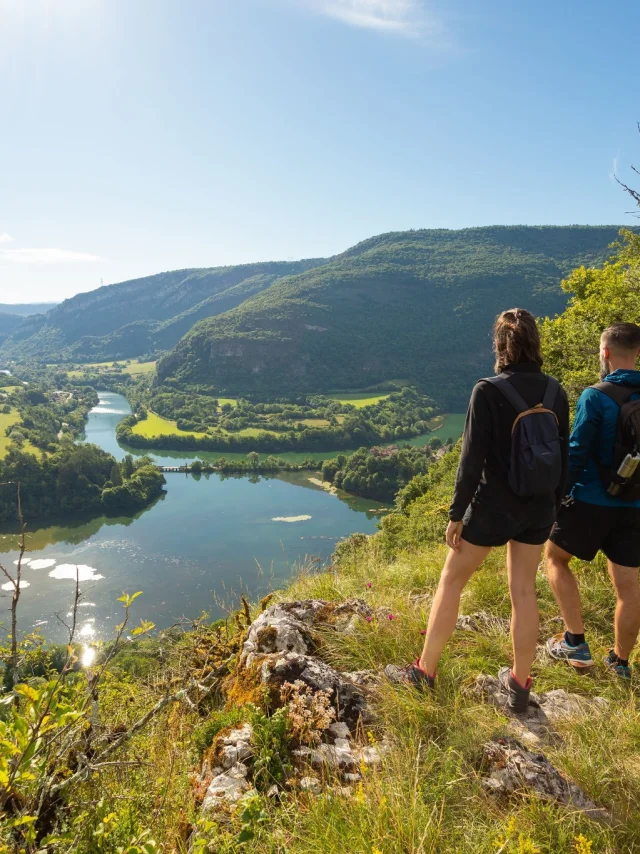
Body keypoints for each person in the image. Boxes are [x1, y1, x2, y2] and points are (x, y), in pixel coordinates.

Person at [385, 308, 569, 711]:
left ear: (500, 345)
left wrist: (456, 514)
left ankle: (424, 673)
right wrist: (552, 508)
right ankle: (520, 686)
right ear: (535, 342)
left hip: (493, 507)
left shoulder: (487, 390)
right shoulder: (555, 391)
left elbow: (470, 460)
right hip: (539, 506)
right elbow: (563, 455)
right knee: (524, 590)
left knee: (451, 581)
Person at [546, 323, 640, 679]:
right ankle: (620, 662)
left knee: (555, 558)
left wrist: (557, 497)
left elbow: (577, 450)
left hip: (590, 499)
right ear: (638, 353)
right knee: (629, 587)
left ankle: (576, 642)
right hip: (634, 506)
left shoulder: (595, 395)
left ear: (605, 353)